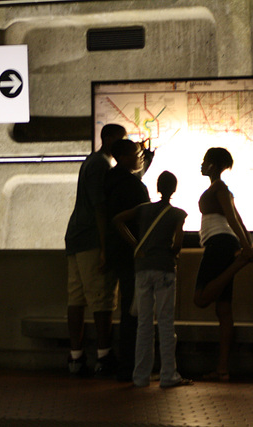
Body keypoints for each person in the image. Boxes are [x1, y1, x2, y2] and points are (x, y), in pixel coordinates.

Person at [193, 147, 253, 381]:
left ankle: (239, 263)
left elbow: (233, 218)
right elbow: (239, 219)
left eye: (205, 161)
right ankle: (222, 370)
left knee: (201, 298)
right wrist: (247, 245)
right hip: (226, 243)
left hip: (219, 243)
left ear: (214, 166)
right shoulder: (220, 189)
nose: (202, 164)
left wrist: (246, 250)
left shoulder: (220, 189)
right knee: (223, 310)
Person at [113, 171, 193, 388]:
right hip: (164, 270)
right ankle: (169, 375)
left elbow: (118, 220)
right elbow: (177, 243)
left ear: (157, 186)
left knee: (144, 325)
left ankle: (140, 376)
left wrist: (135, 245)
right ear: (174, 189)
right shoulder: (178, 214)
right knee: (166, 323)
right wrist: (172, 252)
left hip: (142, 269)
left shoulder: (143, 209)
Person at [64, 123, 126, 377]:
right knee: (102, 297)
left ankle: (76, 357)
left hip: (76, 237)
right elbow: (101, 206)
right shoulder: (101, 164)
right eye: (122, 139)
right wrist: (104, 246)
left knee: (76, 298)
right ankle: (103, 355)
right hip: (91, 238)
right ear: (109, 138)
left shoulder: (91, 162)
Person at [104, 138, 151, 381]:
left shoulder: (110, 179)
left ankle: (127, 365)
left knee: (125, 307)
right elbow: (142, 214)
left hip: (115, 252)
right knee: (134, 310)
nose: (140, 157)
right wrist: (139, 246)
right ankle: (131, 365)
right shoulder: (133, 185)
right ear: (123, 157)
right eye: (136, 153)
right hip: (132, 254)